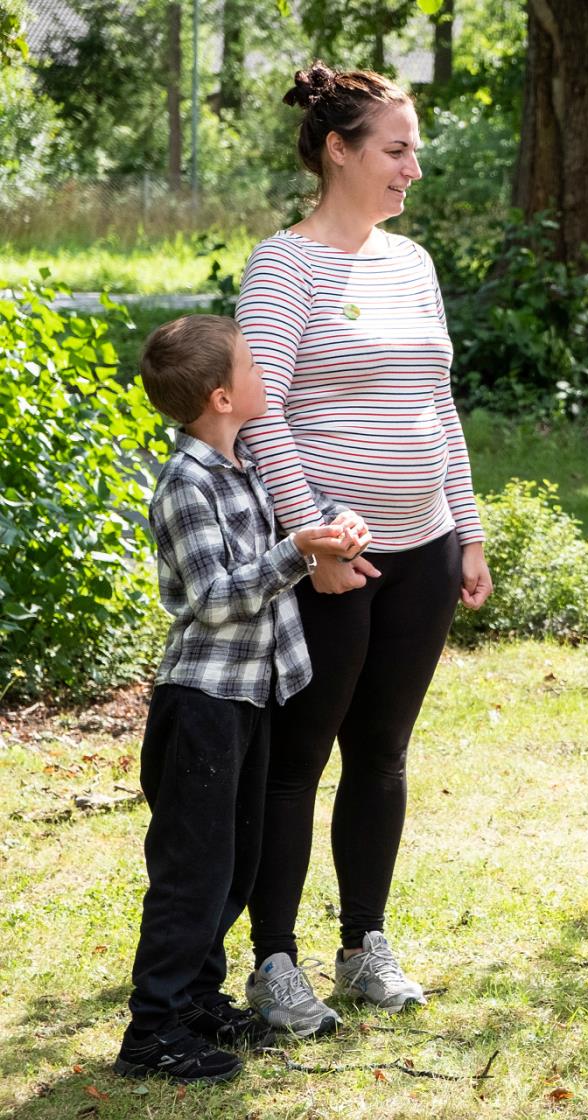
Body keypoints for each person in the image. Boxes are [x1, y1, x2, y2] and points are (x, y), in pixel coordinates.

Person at [236, 63, 492, 1037]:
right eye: (396, 149)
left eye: (413, 149)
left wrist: (466, 527)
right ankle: (274, 963)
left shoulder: (413, 263)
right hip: (329, 557)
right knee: (297, 758)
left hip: (421, 550)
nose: (412, 168)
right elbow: (261, 419)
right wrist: (311, 540)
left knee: (381, 754)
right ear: (338, 150)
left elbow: (438, 406)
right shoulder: (284, 266)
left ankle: (364, 945)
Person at [116, 316, 360, 1082]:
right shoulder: (186, 484)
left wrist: (332, 531)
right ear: (223, 395)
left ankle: (195, 1002)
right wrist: (295, 554)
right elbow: (212, 598)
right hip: (201, 706)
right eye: (254, 365)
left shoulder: (242, 460)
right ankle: (151, 1033)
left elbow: (290, 542)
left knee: (234, 866)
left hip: (250, 697)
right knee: (192, 872)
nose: (266, 373)